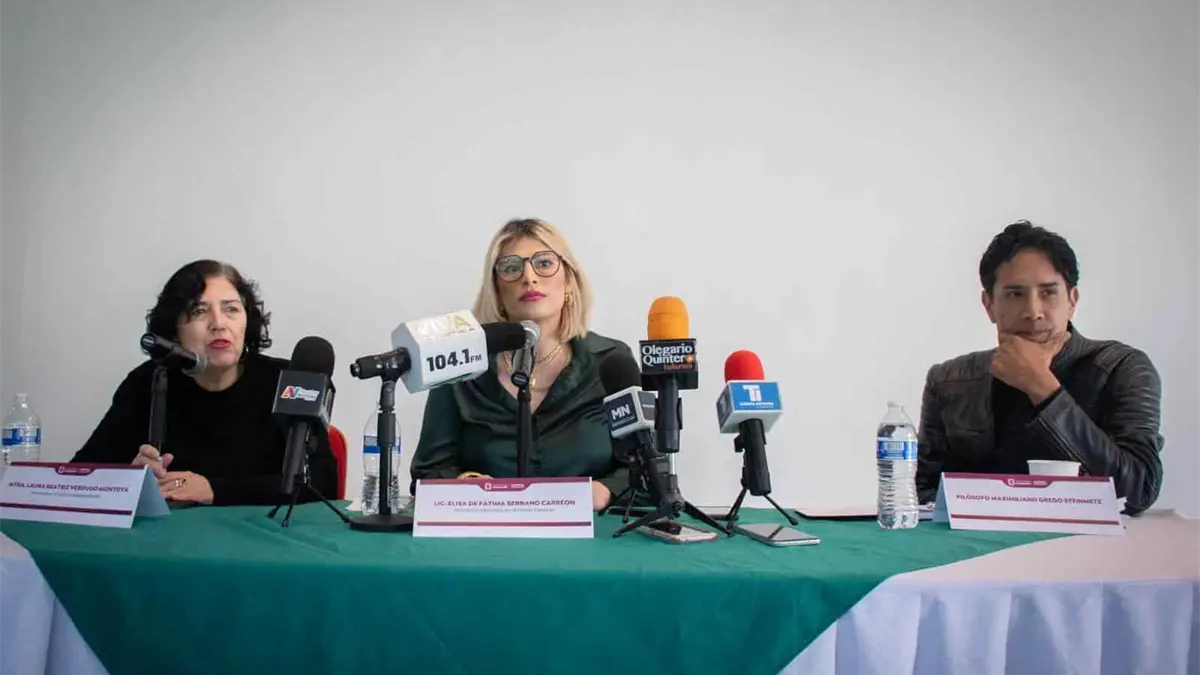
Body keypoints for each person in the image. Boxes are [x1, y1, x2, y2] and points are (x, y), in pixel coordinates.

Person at [916, 221, 1164, 515]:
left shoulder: (1121, 367)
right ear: (989, 304)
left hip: (1088, 542)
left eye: (1048, 293)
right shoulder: (949, 381)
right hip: (977, 541)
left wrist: (1042, 387)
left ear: (1072, 301)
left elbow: (1139, 491)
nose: (1033, 312)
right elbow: (923, 496)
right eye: (1015, 294)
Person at [409, 218, 633, 511]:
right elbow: (429, 472)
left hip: (592, 533)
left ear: (569, 280)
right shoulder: (460, 364)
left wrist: (605, 491)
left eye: (544, 263)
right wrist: (466, 484)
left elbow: (647, 470)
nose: (529, 277)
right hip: (486, 531)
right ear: (497, 290)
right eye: (511, 268)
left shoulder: (611, 361)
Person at [73, 260, 339, 506]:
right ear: (174, 329)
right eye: (199, 311)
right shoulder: (149, 381)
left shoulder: (287, 380)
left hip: (263, 536)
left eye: (231, 309)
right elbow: (79, 478)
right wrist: (127, 480)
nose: (218, 323)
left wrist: (215, 490)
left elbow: (324, 484)